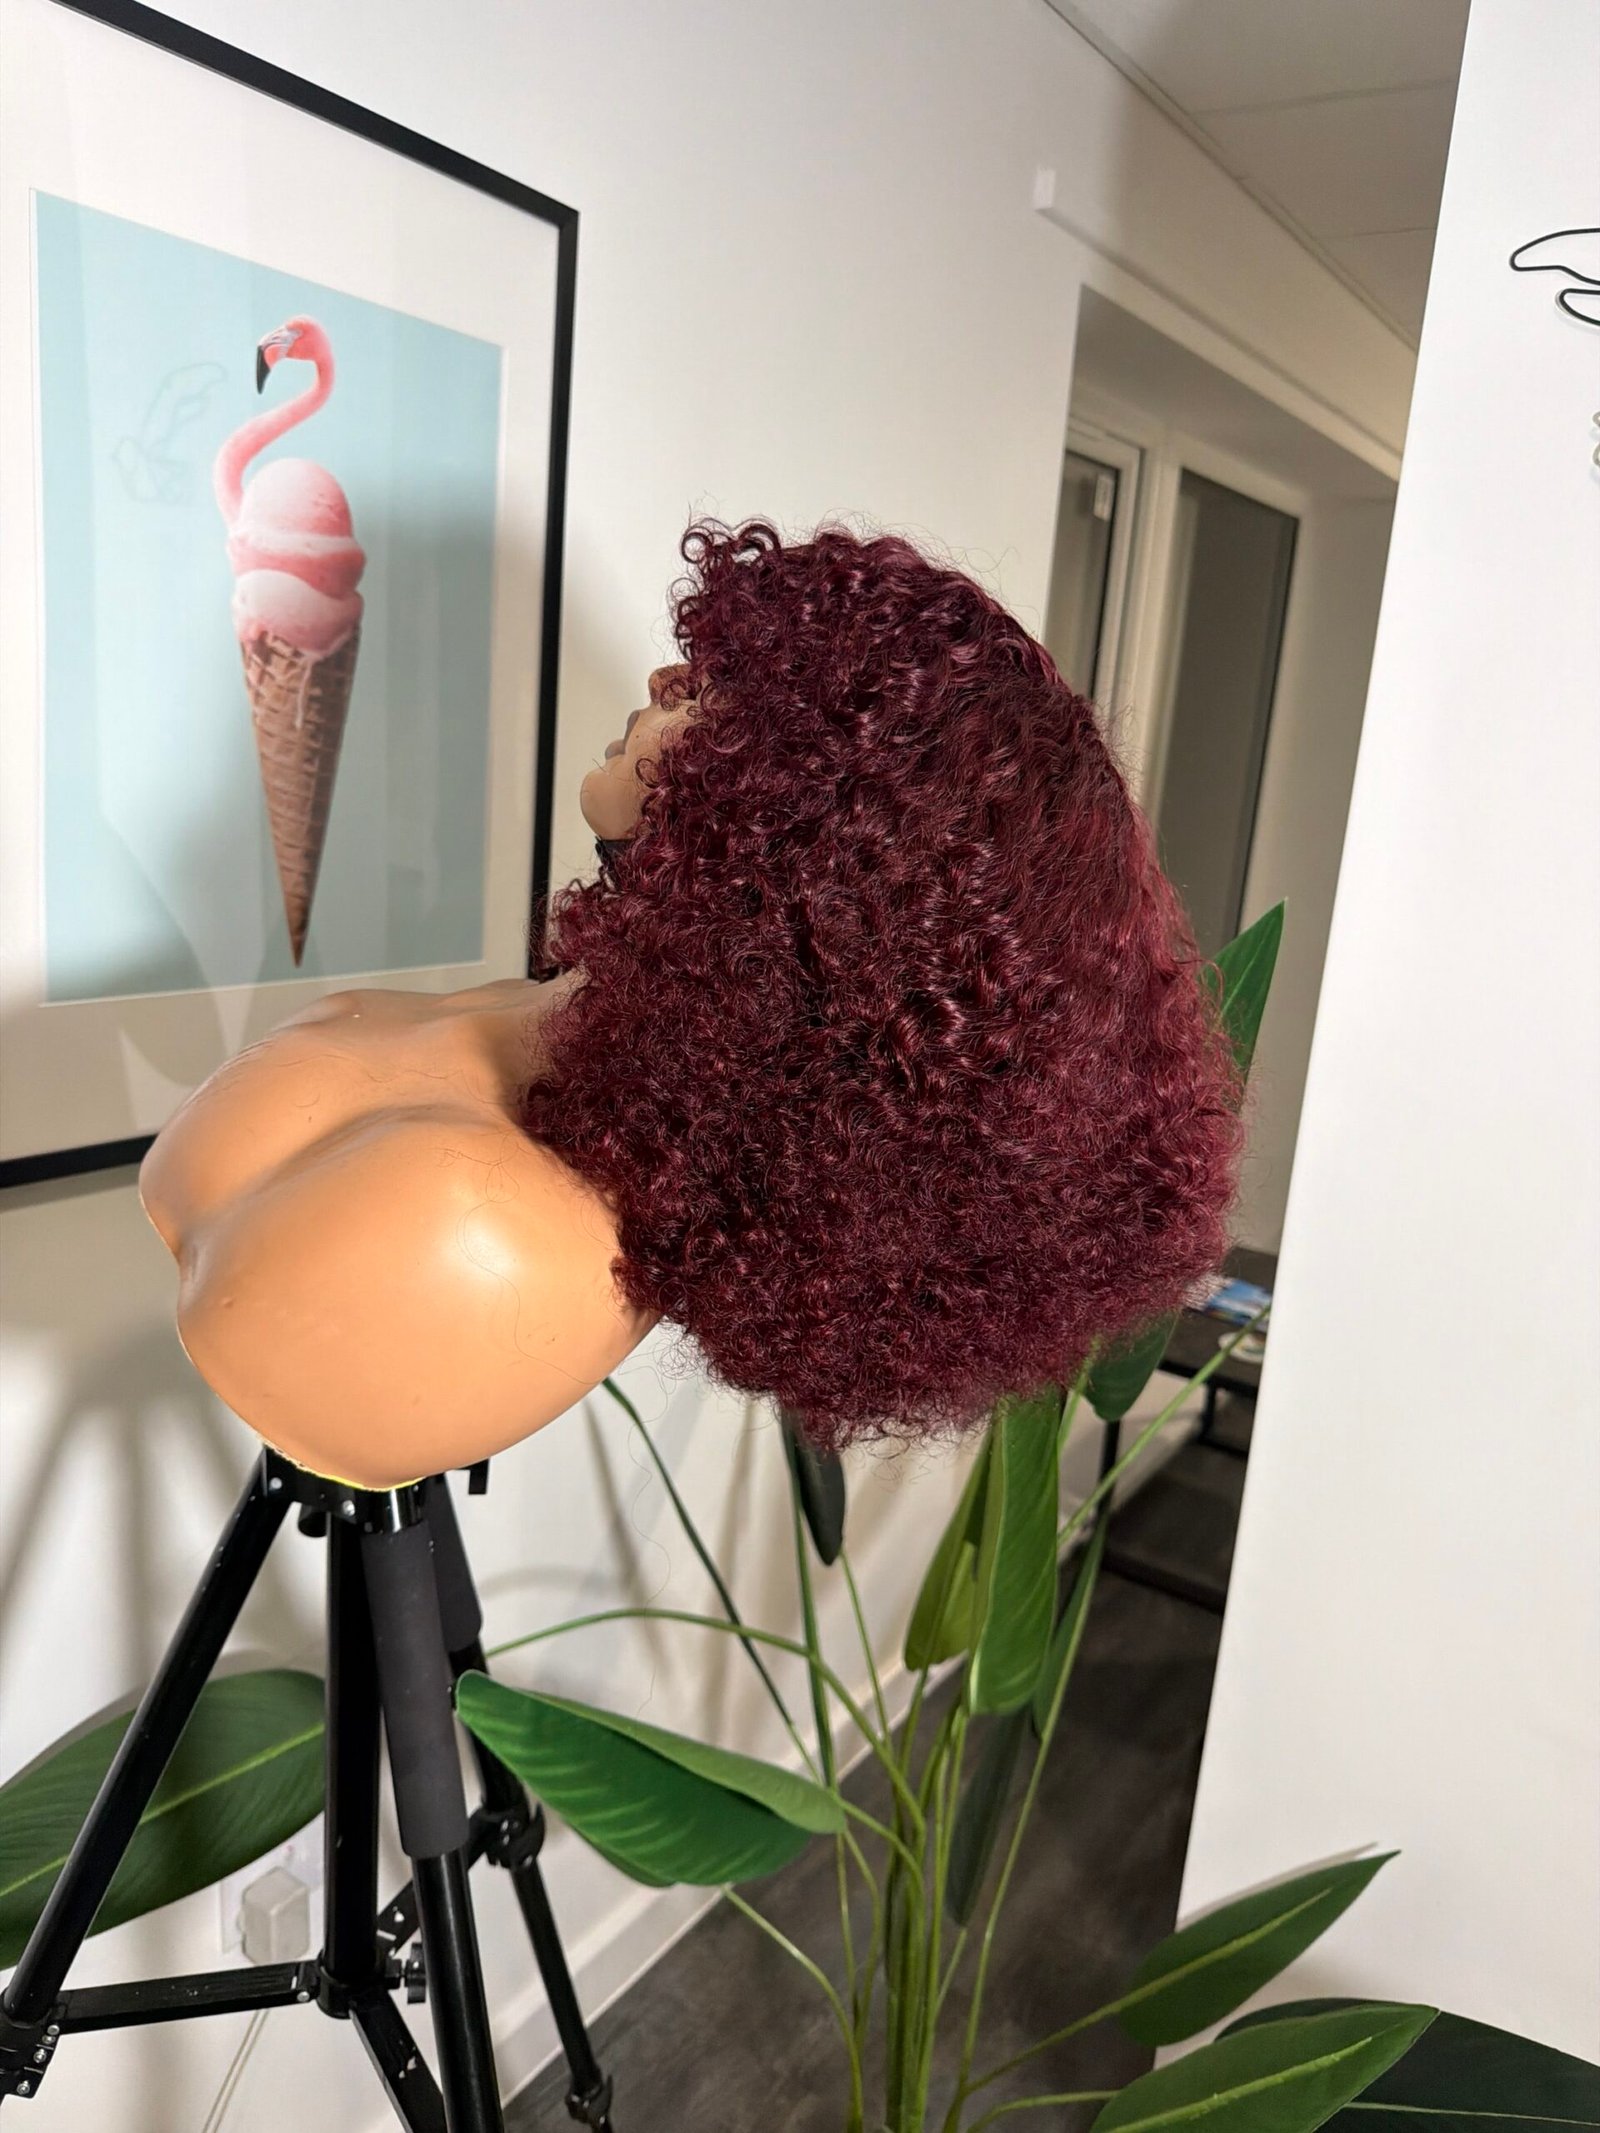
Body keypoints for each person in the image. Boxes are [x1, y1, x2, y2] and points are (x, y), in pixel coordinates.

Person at [142, 520, 1240, 1489]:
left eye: (729, 689)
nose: (669, 678)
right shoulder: (556, 1015)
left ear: (817, 834)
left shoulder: (501, 1238)